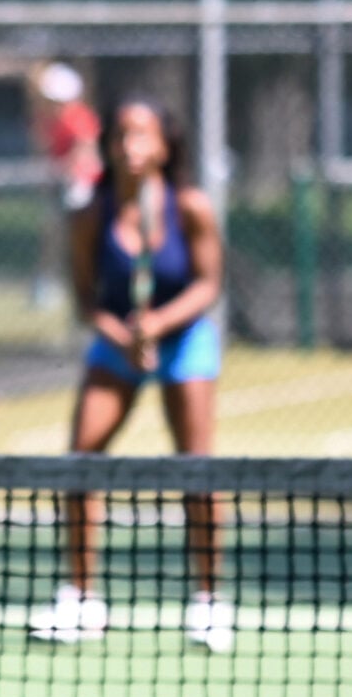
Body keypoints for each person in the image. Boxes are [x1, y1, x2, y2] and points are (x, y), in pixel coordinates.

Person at [30, 94, 229, 653]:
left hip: (184, 341)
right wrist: (123, 336)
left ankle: (209, 603)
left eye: (142, 134)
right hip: (117, 344)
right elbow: (84, 299)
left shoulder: (190, 207)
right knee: (80, 461)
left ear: (165, 146)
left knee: (197, 470)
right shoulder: (90, 215)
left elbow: (209, 285)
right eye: (120, 134)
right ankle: (81, 599)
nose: (129, 145)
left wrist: (158, 324)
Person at [28, 63, 101, 309]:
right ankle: (47, 286)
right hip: (59, 183)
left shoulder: (79, 118)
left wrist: (63, 169)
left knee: (79, 236)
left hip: (80, 185)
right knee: (51, 236)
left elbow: (84, 150)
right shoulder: (49, 120)